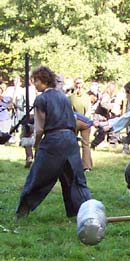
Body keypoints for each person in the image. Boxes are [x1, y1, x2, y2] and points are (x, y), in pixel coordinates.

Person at [15, 65, 91, 219]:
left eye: (36, 81)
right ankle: (84, 214)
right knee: (75, 179)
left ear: (44, 80)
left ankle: (22, 212)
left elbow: (39, 129)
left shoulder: (41, 99)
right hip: (70, 140)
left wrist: (37, 145)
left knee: (38, 177)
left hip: (53, 141)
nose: (35, 84)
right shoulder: (64, 97)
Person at [70, 77, 93, 171]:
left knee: (73, 143)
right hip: (86, 122)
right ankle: (87, 166)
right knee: (86, 144)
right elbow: (89, 111)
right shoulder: (87, 97)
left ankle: (74, 164)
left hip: (75, 122)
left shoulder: (71, 97)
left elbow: (70, 112)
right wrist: (86, 120)